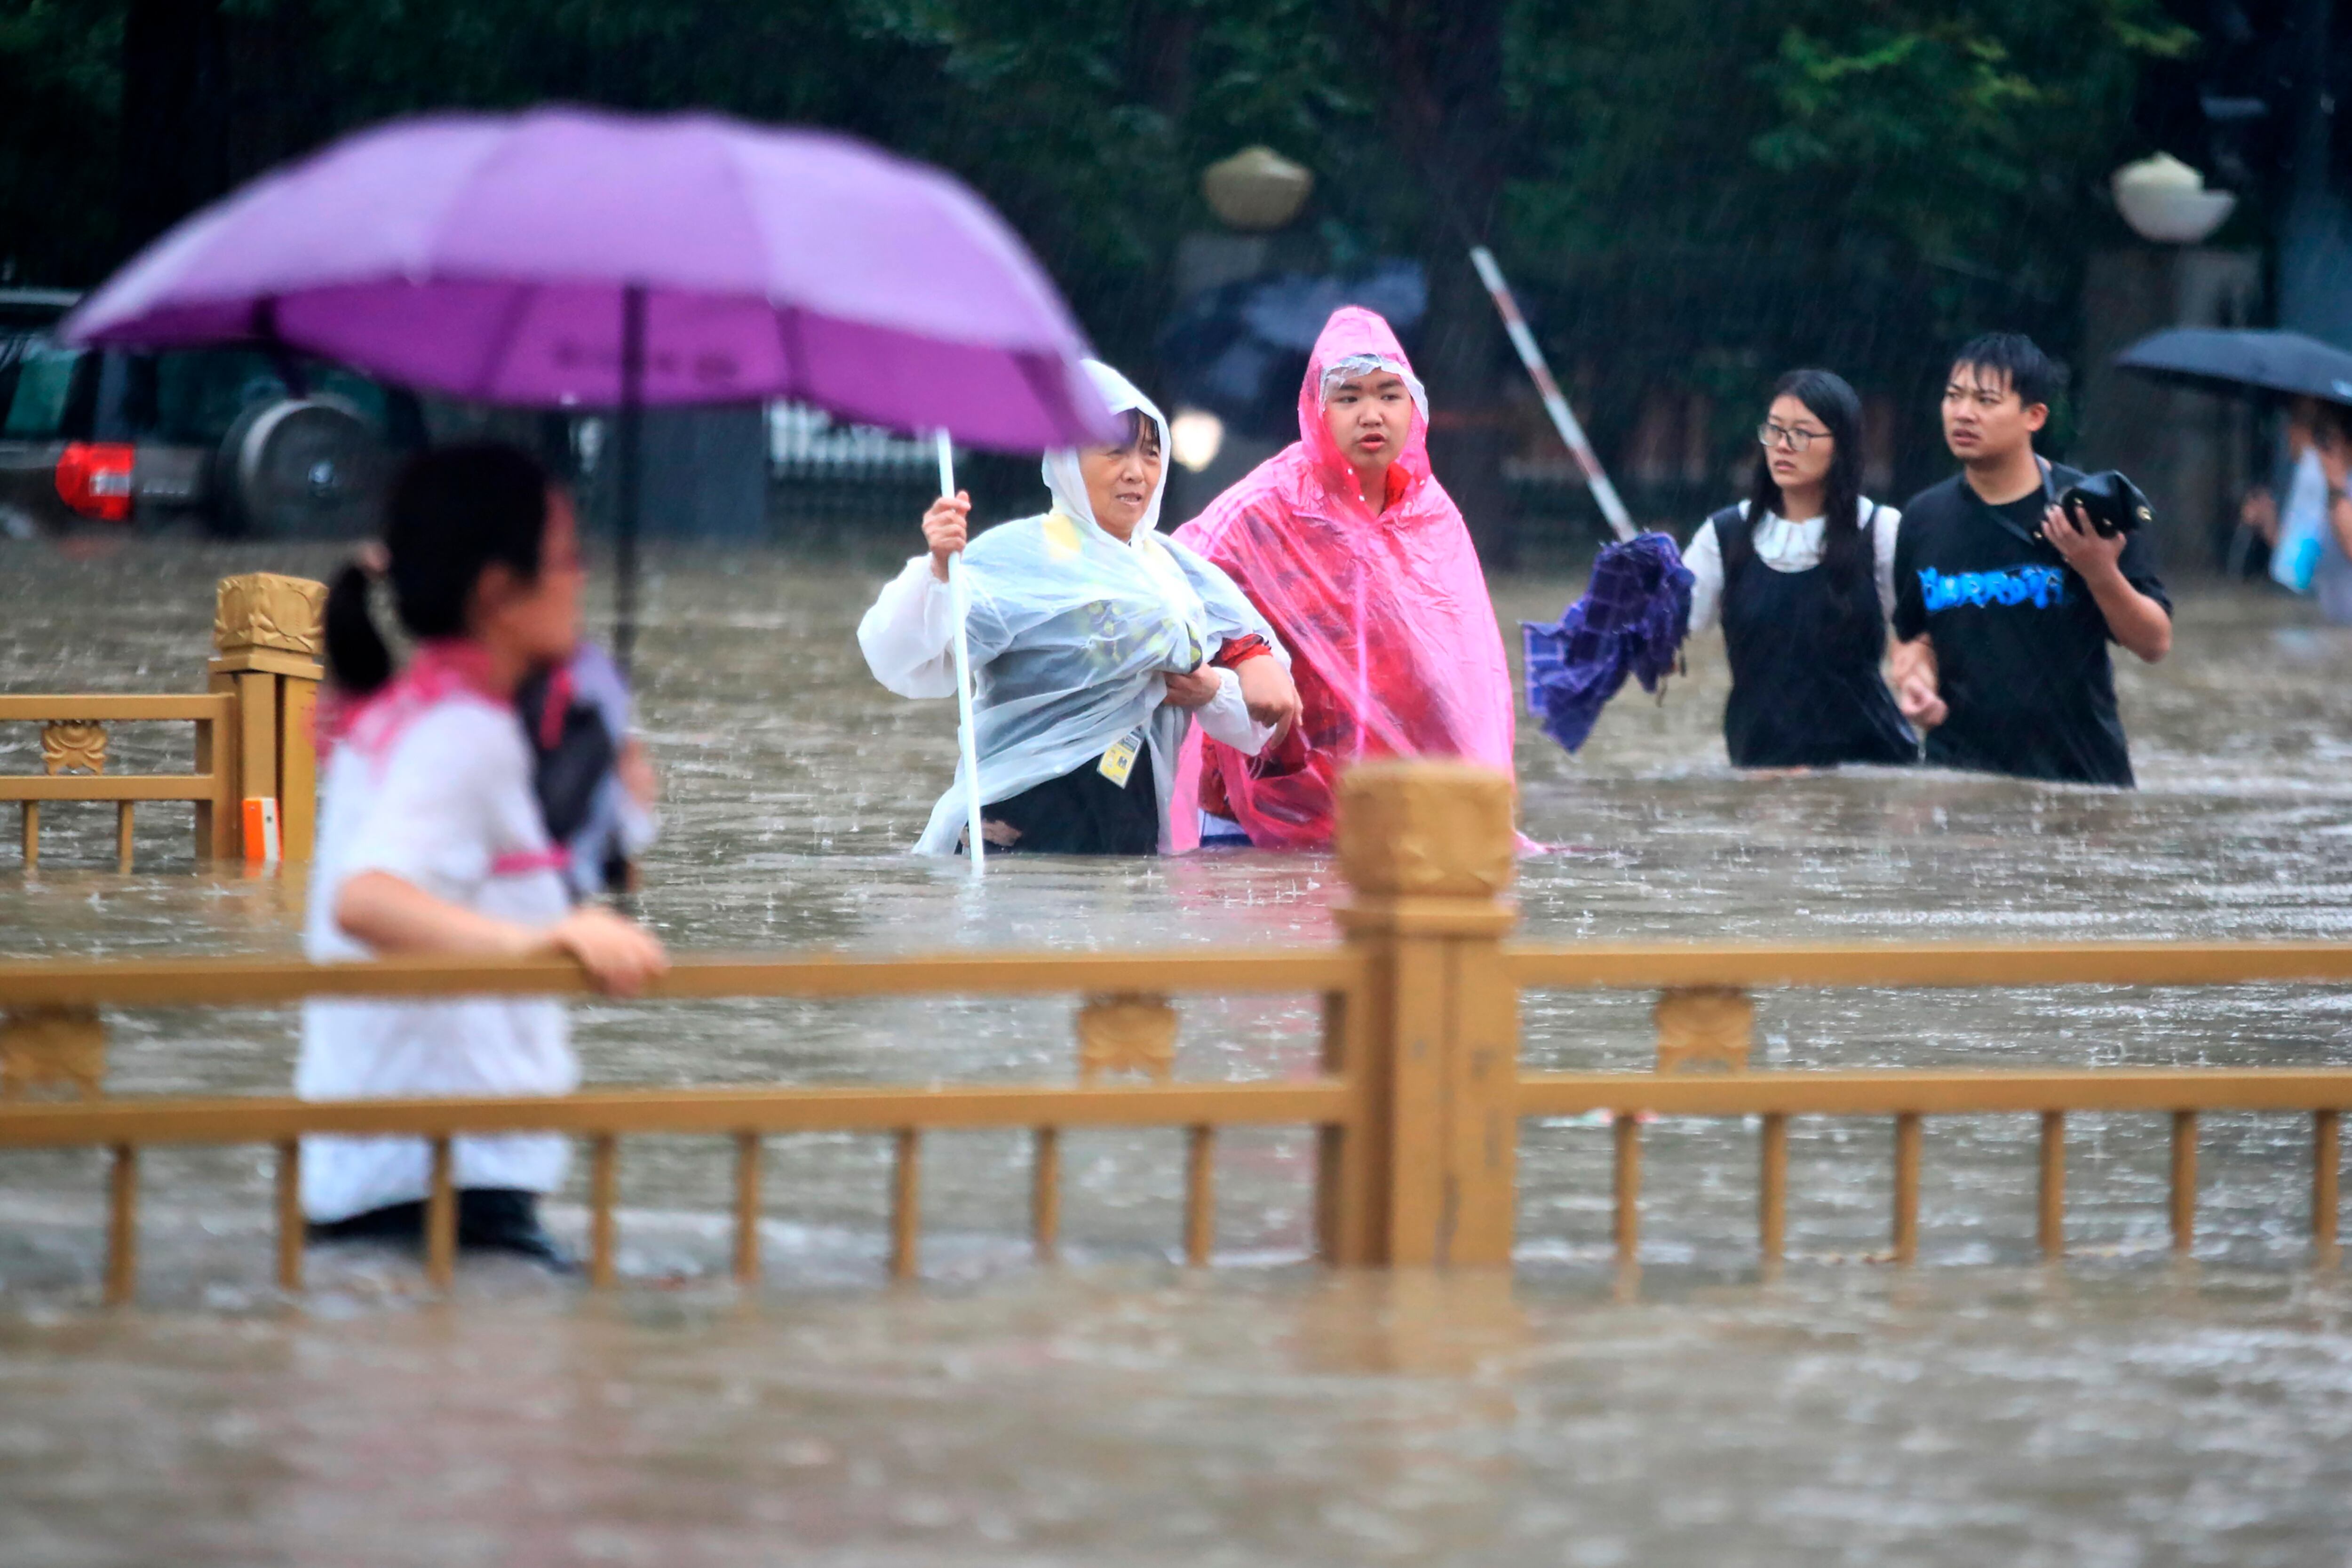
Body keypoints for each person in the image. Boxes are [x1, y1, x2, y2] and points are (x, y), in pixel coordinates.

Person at [302, 443, 668, 1266]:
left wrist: (613, 775)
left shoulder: (421, 715)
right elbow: (368, 900)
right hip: (436, 1191)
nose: (581, 578)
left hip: (413, 1173)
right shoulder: (462, 736)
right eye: (565, 557)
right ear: (500, 591)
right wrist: (545, 941)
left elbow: (504, 876)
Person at [858, 360, 1302, 855]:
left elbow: (1264, 716)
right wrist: (939, 572)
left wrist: (1213, 689)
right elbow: (908, 659)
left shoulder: (1177, 571)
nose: (1136, 472)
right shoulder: (1015, 556)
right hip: (1019, 818)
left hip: (1128, 818)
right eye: (1115, 451)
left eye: (1151, 453)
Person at [1170, 306, 1515, 849]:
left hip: (1385, 813)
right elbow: (1172, 584)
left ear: (1414, 407)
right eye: (1348, 398)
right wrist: (1245, 655)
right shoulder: (1264, 508)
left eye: (1388, 395)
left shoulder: (1431, 517)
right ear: (1317, 409)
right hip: (1255, 807)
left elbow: (1466, 673)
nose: (1371, 415)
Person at [1890, 334, 2172, 787]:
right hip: (1960, 781)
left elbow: (2154, 643)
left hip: (2081, 780)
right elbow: (1913, 634)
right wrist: (1915, 680)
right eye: (1954, 396)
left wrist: (2099, 570)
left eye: (1986, 401)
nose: (1964, 413)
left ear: (2034, 416)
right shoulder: (1923, 518)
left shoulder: (2089, 511)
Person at [1683, 368, 1914, 769]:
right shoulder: (1724, 535)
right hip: (1758, 764)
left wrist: (1918, 673)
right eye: (1774, 430)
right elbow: (1675, 624)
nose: (1783, 446)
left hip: (1869, 767)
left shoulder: (1880, 530)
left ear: (1841, 446)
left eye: (1801, 434)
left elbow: (1924, 632)